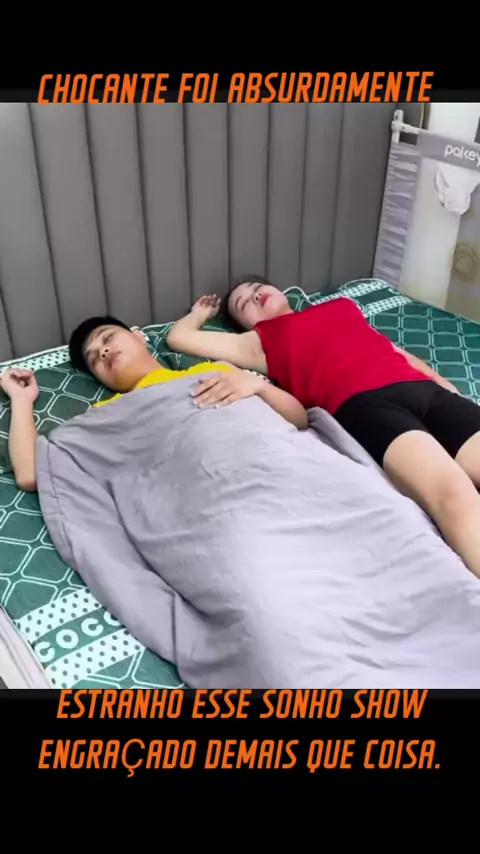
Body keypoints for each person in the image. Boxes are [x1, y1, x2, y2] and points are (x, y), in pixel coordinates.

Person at [166, 275, 480, 580]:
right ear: (244, 325)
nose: (255, 295)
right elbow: (178, 338)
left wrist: (439, 381)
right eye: (243, 303)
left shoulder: (341, 307)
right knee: (453, 493)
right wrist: (199, 314)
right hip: (366, 406)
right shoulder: (256, 341)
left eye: (258, 287)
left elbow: (392, 349)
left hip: (423, 391)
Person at [0, 314, 308, 493]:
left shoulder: (216, 370)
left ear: (138, 337)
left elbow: (299, 420)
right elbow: (30, 473)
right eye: (94, 359)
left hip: (284, 469)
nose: (103, 352)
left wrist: (257, 386)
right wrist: (22, 400)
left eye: (107, 338)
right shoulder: (107, 414)